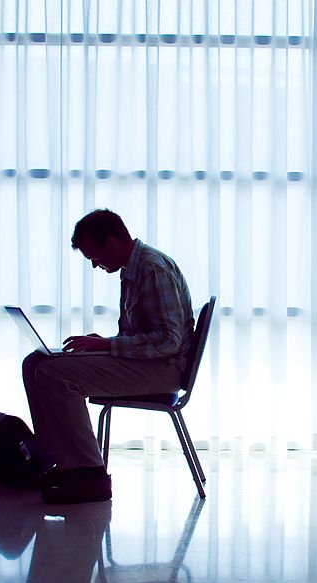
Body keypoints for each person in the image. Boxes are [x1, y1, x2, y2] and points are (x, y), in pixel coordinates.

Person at [22, 209, 195, 503]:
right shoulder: (133, 268)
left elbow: (168, 341)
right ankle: (61, 461)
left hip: (163, 369)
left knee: (54, 374)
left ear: (111, 243)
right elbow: (146, 334)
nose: (94, 265)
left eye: (94, 257)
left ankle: (88, 476)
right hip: (148, 362)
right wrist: (104, 343)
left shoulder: (153, 269)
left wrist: (106, 346)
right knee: (35, 362)